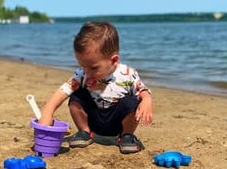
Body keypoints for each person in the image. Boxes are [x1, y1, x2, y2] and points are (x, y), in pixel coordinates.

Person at [39, 22, 153, 154]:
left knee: (132, 101)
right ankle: (85, 132)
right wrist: (48, 112)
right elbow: (64, 90)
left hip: (118, 123)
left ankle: (126, 136)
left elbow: (142, 91)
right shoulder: (82, 74)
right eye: (82, 65)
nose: (87, 72)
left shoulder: (128, 74)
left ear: (114, 60)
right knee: (77, 95)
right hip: (93, 119)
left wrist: (146, 100)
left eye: (93, 67)